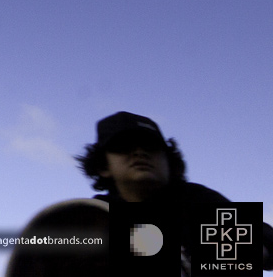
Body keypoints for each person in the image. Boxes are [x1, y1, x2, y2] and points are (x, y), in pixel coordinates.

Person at [77, 111, 270, 272]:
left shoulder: (197, 200)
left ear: (169, 161)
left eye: (151, 147)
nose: (139, 152)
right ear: (103, 166)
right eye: (123, 147)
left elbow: (264, 242)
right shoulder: (93, 215)